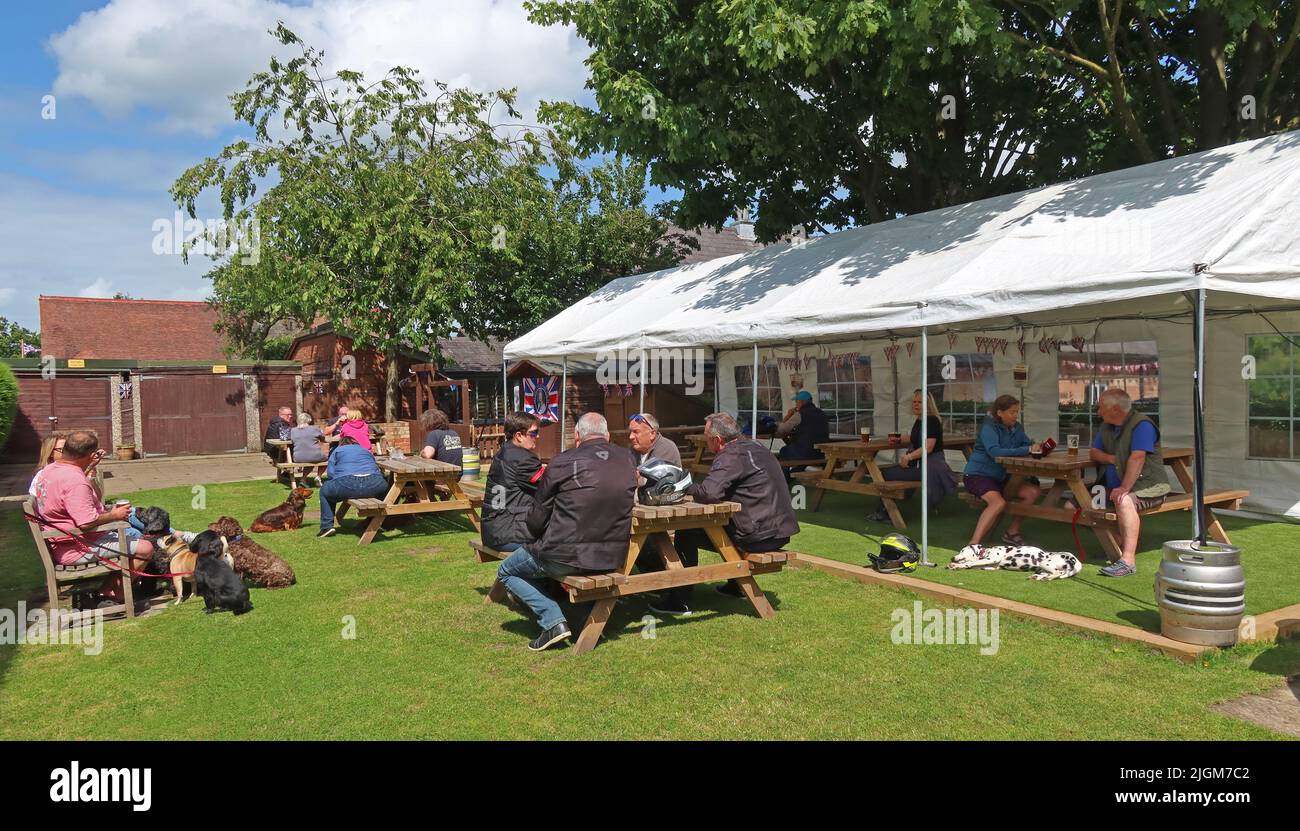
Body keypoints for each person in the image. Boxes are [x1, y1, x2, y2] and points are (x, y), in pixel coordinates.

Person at [495, 413, 638, 651]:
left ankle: (553, 621)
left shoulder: (562, 461)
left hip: (564, 554)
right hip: (613, 555)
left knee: (507, 571)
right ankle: (580, 616)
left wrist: (535, 534)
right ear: (608, 436)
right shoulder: (627, 458)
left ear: (578, 437)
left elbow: (537, 518)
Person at [648, 411, 800, 617]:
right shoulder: (755, 447)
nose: (705, 440)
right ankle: (736, 586)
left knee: (688, 530)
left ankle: (679, 600)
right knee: (719, 526)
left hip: (758, 535)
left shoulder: (731, 455)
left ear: (718, 440)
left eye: (706, 437)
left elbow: (709, 493)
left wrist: (684, 486)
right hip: (780, 531)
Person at [29, 430, 153, 599]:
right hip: (77, 546)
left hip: (62, 541)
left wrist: (89, 467)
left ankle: (107, 589)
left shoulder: (49, 471)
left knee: (133, 537)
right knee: (145, 548)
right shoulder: (75, 482)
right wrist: (115, 515)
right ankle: (118, 595)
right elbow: (86, 523)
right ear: (90, 454)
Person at [1090, 388, 1170, 578]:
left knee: (1123, 501)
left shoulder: (1142, 425)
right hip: (1111, 486)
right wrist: (1113, 459)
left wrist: (1124, 488)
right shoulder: (1106, 426)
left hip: (1149, 487)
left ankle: (1127, 560)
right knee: (1075, 505)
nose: (1098, 412)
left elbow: (1138, 458)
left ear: (1115, 409)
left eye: (1101, 407)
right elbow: (1094, 453)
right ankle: (1117, 541)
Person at [963, 394, 1043, 548]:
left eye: (1017, 412)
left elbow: (1027, 443)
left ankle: (1012, 532)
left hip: (1000, 477)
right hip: (978, 475)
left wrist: (1038, 446)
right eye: (1012, 412)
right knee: (998, 502)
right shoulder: (989, 427)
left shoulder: (1016, 427)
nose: (1015, 415)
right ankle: (973, 544)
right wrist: (1027, 449)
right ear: (999, 412)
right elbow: (995, 452)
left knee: (1032, 492)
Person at [867, 390, 958, 522]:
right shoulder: (920, 420)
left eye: (920, 402)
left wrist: (908, 457)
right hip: (921, 465)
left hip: (929, 468)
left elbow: (929, 446)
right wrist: (896, 438)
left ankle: (886, 512)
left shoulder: (931, 421)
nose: (916, 405)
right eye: (914, 402)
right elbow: (914, 438)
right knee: (888, 472)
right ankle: (890, 506)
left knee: (885, 474)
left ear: (928, 404)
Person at [480, 412, 544, 552]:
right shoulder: (524, 459)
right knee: (565, 545)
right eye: (533, 433)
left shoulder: (504, 452)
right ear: (519, 436)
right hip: (510, 533)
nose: (537, 436)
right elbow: (550, 486)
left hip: (494, 530)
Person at [317, 436, 388, 538]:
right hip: (374, 483)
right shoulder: (366, 451)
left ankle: (326, 526)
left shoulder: (337, 450)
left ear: (341, 443)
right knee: (385, 487)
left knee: (324, 490)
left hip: (347, 483)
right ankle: (373, 521)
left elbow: (330, 474)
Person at [774, 390, 830, 473]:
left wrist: (789, 415)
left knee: (784, 451)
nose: (796, 404)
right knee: (797, 452)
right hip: (820, 453)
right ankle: (792, 475)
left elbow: (782, 429)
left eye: (797, 402)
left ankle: (785, 479)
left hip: (805, 453)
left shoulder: (800, 414)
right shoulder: (822, 413)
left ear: (802, 402)